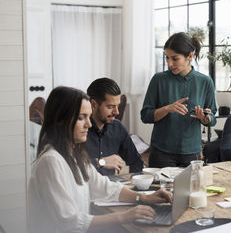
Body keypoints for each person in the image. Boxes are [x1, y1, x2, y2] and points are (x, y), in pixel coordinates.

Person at [28, 86, 172, 233]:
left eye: (88, 117)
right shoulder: (51, 162)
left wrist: (143, 198)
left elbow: (105, 188)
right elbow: (69, 222)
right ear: (60, 120)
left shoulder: (75, 155)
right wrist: (124, 217)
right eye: (80, 118)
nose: (89, 124)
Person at [141, 32, 217, 167]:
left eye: (175, 59)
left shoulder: (205, 82)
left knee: (192, 188)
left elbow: (212, 119)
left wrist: (203, 117)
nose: (170, 63)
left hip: (192, 153)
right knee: (160, 188)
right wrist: (167, 108)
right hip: (161, 152)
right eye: (167, 58)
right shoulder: (158, 80)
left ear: (190, 56)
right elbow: (145, 115)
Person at [86, 78, 143, 176]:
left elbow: (136, 162)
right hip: (86, 189)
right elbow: (70, 168)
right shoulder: (78, 130)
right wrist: (101, 162)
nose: (117, 112)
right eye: (110, 107)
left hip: (111, 188)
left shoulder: (118, 128)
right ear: (94, 104)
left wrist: (136, 183)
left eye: (117, 106)